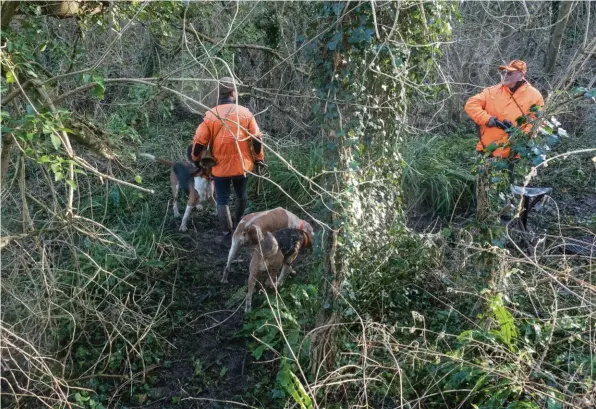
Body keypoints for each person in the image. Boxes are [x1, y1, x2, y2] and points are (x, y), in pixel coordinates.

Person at [191, 76, 265, 245]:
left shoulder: (211, 115)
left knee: (222, 199)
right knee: (241, 196)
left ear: (219, 93)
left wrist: (196, 161)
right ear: (233, 92)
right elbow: (257, 140)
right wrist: (259, 159)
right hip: (242, 166)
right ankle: (240, 228)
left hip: (219, 168)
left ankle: (227, 235)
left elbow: (199, 143)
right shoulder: (246, 113)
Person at [465, 59, 544, 160]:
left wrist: (519, 135)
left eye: (510, 73)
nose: (506, 75)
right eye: (505, 72)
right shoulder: (492, 91)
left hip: (512, 155)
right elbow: (471, 104)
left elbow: (536, 122)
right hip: (486, 150)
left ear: (520, 75)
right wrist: (486, 119)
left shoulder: (535, 96)